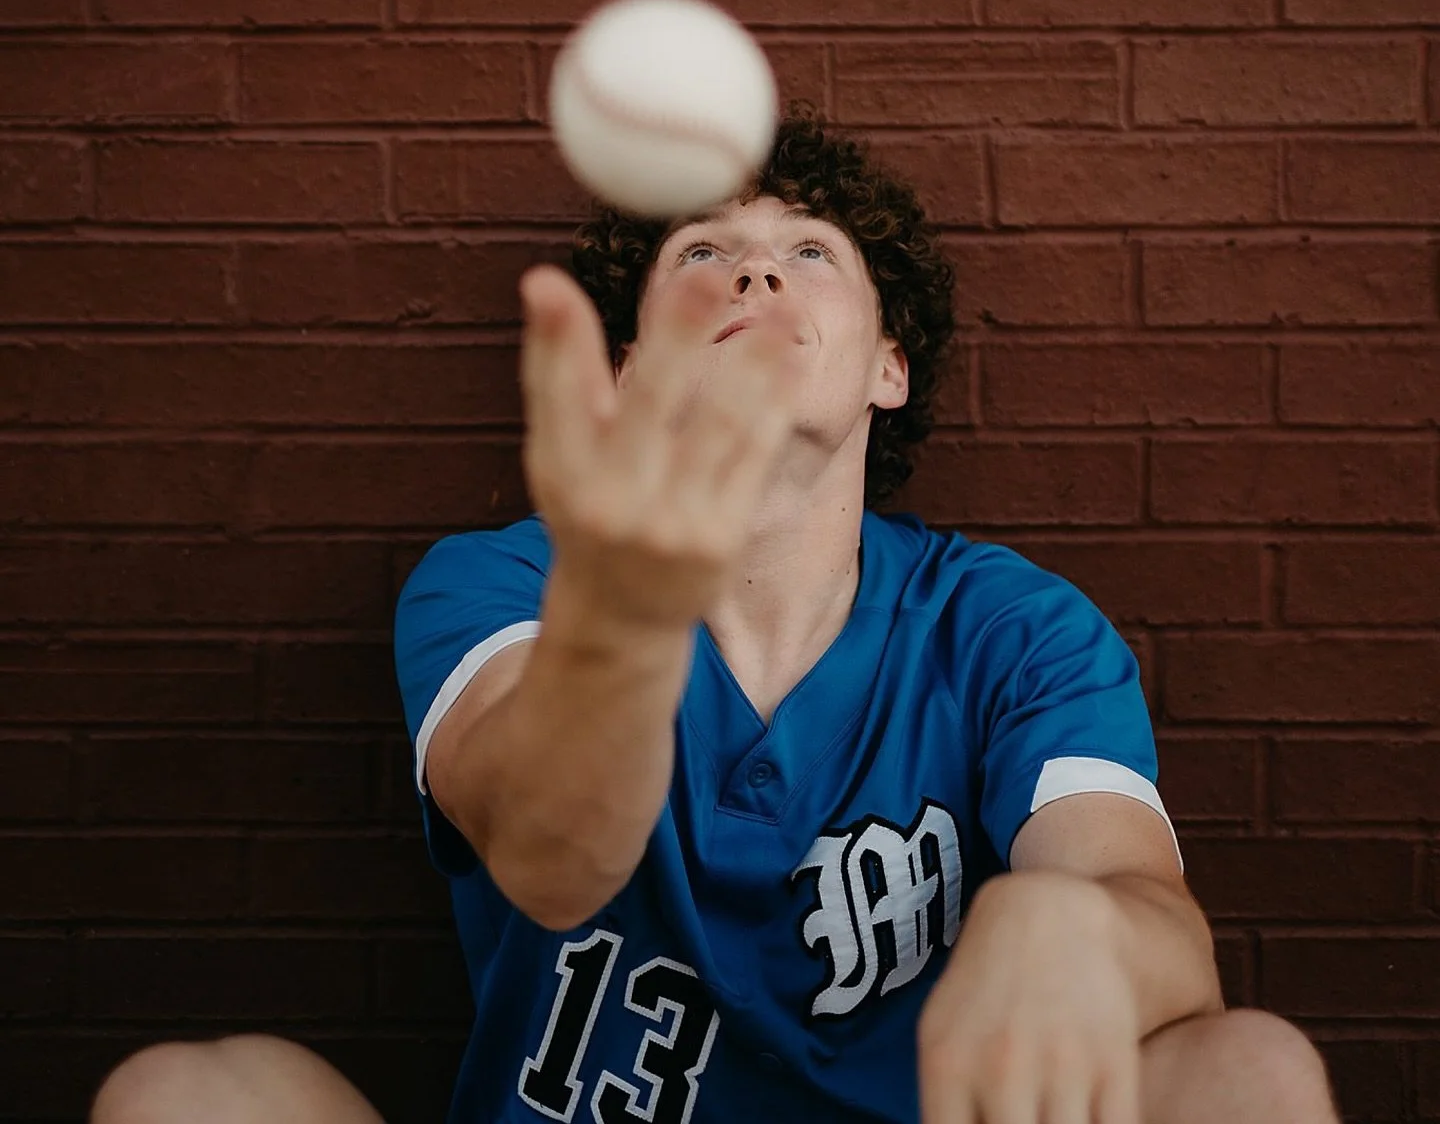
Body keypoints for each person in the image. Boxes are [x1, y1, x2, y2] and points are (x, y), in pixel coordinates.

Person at [91, 106, 1340, 1124]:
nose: (754, 267)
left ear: (888, 368)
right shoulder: (500, 585)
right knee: (184, 1094)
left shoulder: (1010, 627)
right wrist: (630, 607)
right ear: (630, 371)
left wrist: (1067, 920)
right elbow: (548, 846)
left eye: (810, 252)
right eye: (702, 254)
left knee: (1251, 1072)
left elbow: (1164, 935)